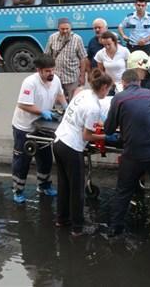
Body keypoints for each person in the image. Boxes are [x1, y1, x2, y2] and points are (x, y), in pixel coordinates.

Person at [104, 69, 150, 244]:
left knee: (123, 191)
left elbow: (108, 129)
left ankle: (115, 229)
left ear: (124, 83)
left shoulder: (118, 99)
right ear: (139, 82)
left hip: (133, 154)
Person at [53, 68, 113, 236]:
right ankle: (77, 228)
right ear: (103, 88)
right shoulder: (93, 107)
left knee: (64, 185)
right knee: (77, 190)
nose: (108, 92)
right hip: (71, 147)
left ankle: (62, 219)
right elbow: (86, 135)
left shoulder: (83, 93)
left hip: (58, 141)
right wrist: (105, 137)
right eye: (108, 89)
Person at [11, 55, 67, 204]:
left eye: (52, 70)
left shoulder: (55, 80)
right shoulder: (30, 82)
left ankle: (43, 186)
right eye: (47, 71)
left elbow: (59, 94)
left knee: (46, 158)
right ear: (39, 71)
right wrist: (42, 112)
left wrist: (66, 107)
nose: (51, 73)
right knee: (22, 160)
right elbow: (23, 104)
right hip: (25, 127)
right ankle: (18, 190)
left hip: (42, 126)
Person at [45, 17, 87, 100]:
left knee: (73, 101)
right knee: (57, 101)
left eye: (67, 29)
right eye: (62, 29)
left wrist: (82, 76)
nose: (65, 31)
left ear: (70, 28)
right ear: (58, 28)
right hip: (56, 77)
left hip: (72, 77)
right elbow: (47, 55)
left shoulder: (77, 39)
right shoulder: (52, 38)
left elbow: (83, 58)